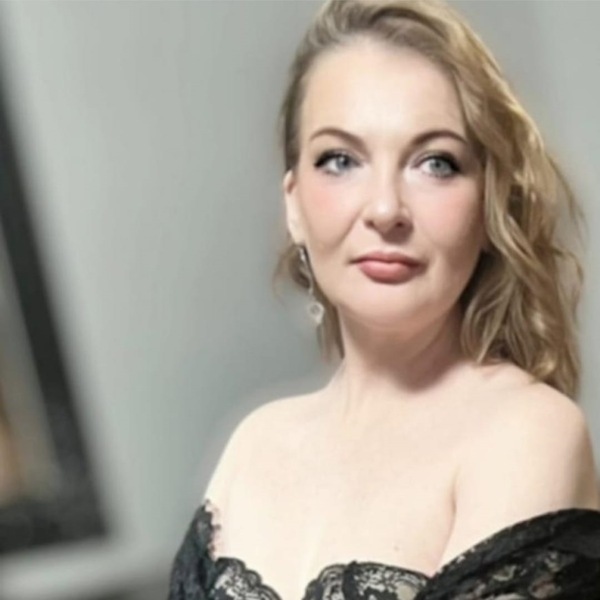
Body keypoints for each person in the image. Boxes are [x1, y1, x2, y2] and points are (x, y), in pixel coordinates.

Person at [168, 1, 600, 598]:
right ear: (294, 204)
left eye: (435, 163)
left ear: (488, 205)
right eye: (340, 160)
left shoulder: (526, 432)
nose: (385, 209)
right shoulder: (254, 442)